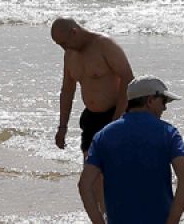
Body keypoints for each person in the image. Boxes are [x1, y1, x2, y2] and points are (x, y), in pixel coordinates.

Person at [79, 75, 184, 224]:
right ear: (150, 101)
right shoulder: (168, 133)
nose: (164, 107)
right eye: (163, 101)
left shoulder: (103, 136)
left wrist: (99, 222)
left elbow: (85, 185)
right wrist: (172, 221)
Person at [52, 17, 135, 159]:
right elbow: (67, 90)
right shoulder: (70, 55)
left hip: (115, 114)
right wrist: (62, 126)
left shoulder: (105, 45)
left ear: (74, 32)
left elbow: (128, 79)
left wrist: (117, 120)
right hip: (91, 118)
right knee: (90, 168)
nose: (64, 48)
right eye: (60, 45)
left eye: (64, 43)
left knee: (115, 166)